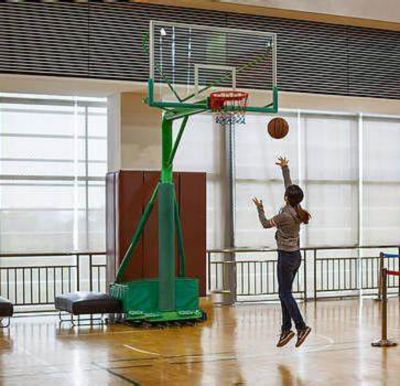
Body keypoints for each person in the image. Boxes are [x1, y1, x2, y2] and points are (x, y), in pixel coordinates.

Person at [252, 156, 311, 348]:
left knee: (285, 294)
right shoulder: (297, 208)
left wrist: (260, 209)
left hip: (286, 258)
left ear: (287, 197)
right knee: (284, 293)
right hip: (296, 256)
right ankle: (286, 329)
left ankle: (301, 327)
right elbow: (290, 186)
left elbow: (264, 224)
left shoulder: (284, 215)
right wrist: (285, 168)